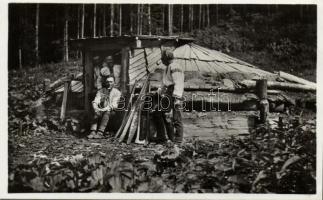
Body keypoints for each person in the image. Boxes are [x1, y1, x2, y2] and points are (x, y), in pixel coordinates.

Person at [158, 49, 185, 144]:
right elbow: (164, 83)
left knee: (176, 117)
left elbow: (178, 82)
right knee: (166, 116)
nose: (161, 61)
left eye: (162, 59)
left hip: (174, 92)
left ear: (167, 58)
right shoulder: (167, 68)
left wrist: (177, 98)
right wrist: (160, 92)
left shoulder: (175, 67)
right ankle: (171, 138)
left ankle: (178, 140)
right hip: (168, 92)